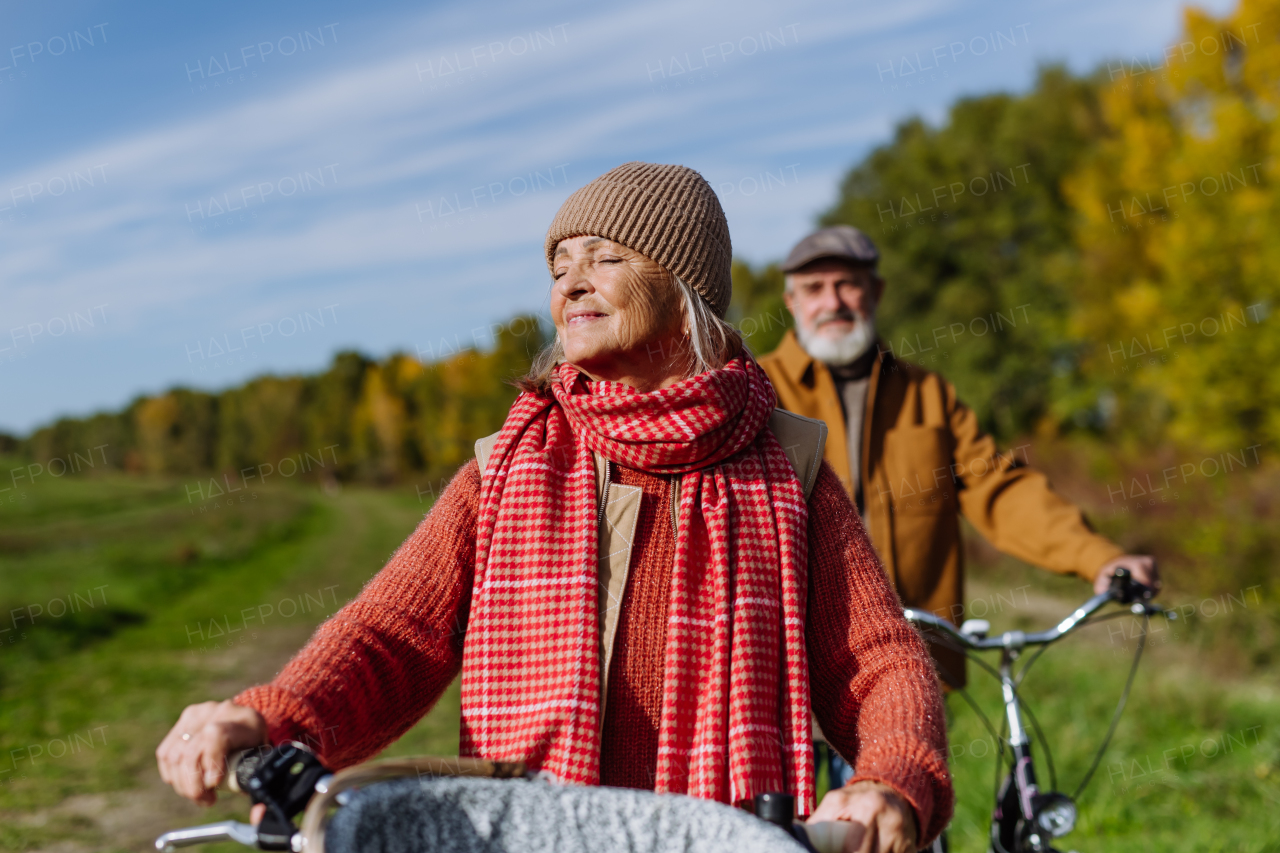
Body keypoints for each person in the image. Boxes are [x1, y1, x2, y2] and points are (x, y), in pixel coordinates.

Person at [156, 164, 954, 852]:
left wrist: (893, 776)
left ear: (685, 291)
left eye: (605, 257)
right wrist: (273, 715)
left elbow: (874, 658)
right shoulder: (508, 463)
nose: (571, 280)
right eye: (559, 264)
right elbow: (394, 633)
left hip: (725, 828)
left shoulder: (787, 463)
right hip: (528, 827)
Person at [758, 225, 1160, 784]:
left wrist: (1098, 557)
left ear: (875, 292)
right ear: (791, 301)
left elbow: (1001, 490)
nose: (833, 301)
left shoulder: (928, 395)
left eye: (847, 285)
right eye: (816, 287)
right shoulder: (758, 391)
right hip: (783, 674)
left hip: (903, 671)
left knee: (902, 832)